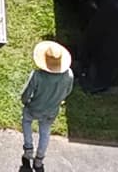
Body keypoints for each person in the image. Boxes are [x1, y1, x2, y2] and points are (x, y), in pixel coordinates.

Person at [19, 40, 74, 170]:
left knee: (26, 122)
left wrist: (25, 101)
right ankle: (39, 160)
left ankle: (28, 149)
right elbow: (67, 92)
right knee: (45, 131)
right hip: (51, 111)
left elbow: (27, 93)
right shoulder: (69, 75)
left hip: (34, 108)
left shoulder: (37, 75)